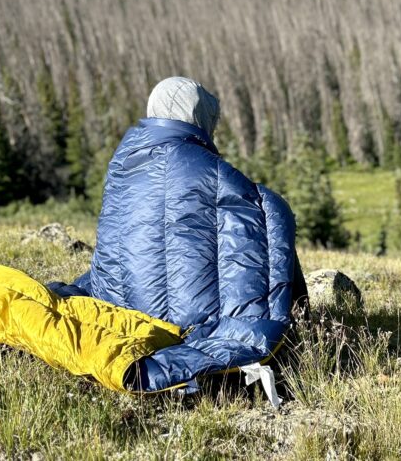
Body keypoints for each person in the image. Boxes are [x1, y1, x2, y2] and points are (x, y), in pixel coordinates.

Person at [48, 76, 306, 392]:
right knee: (270, 210)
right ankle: (304, 318)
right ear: (199, 117)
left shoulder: (123, 165)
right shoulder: (214, 173)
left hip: (113, 312)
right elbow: (252, 236)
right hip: (184, 328)